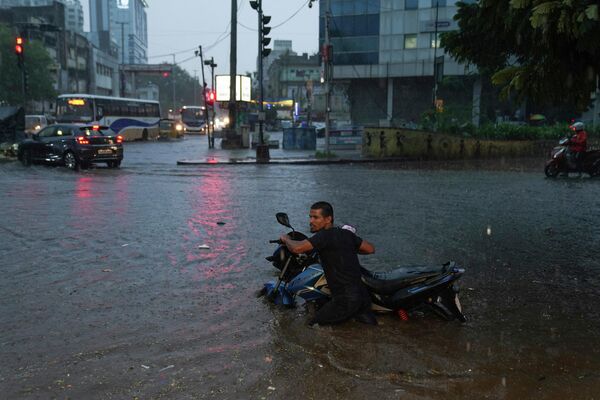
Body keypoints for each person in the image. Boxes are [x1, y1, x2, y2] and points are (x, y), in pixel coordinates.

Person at [279, 201, 377, 326]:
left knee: (313, 326)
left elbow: (297, 248)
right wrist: (346, 248)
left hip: (344, 299)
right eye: (310, 217)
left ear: (328, 219)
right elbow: (370, 249)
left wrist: (286, 239)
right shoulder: (345, 233)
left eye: (316, 217)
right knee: (367, 331)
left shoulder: (323, 236)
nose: (311, 221)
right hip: (362, 296)